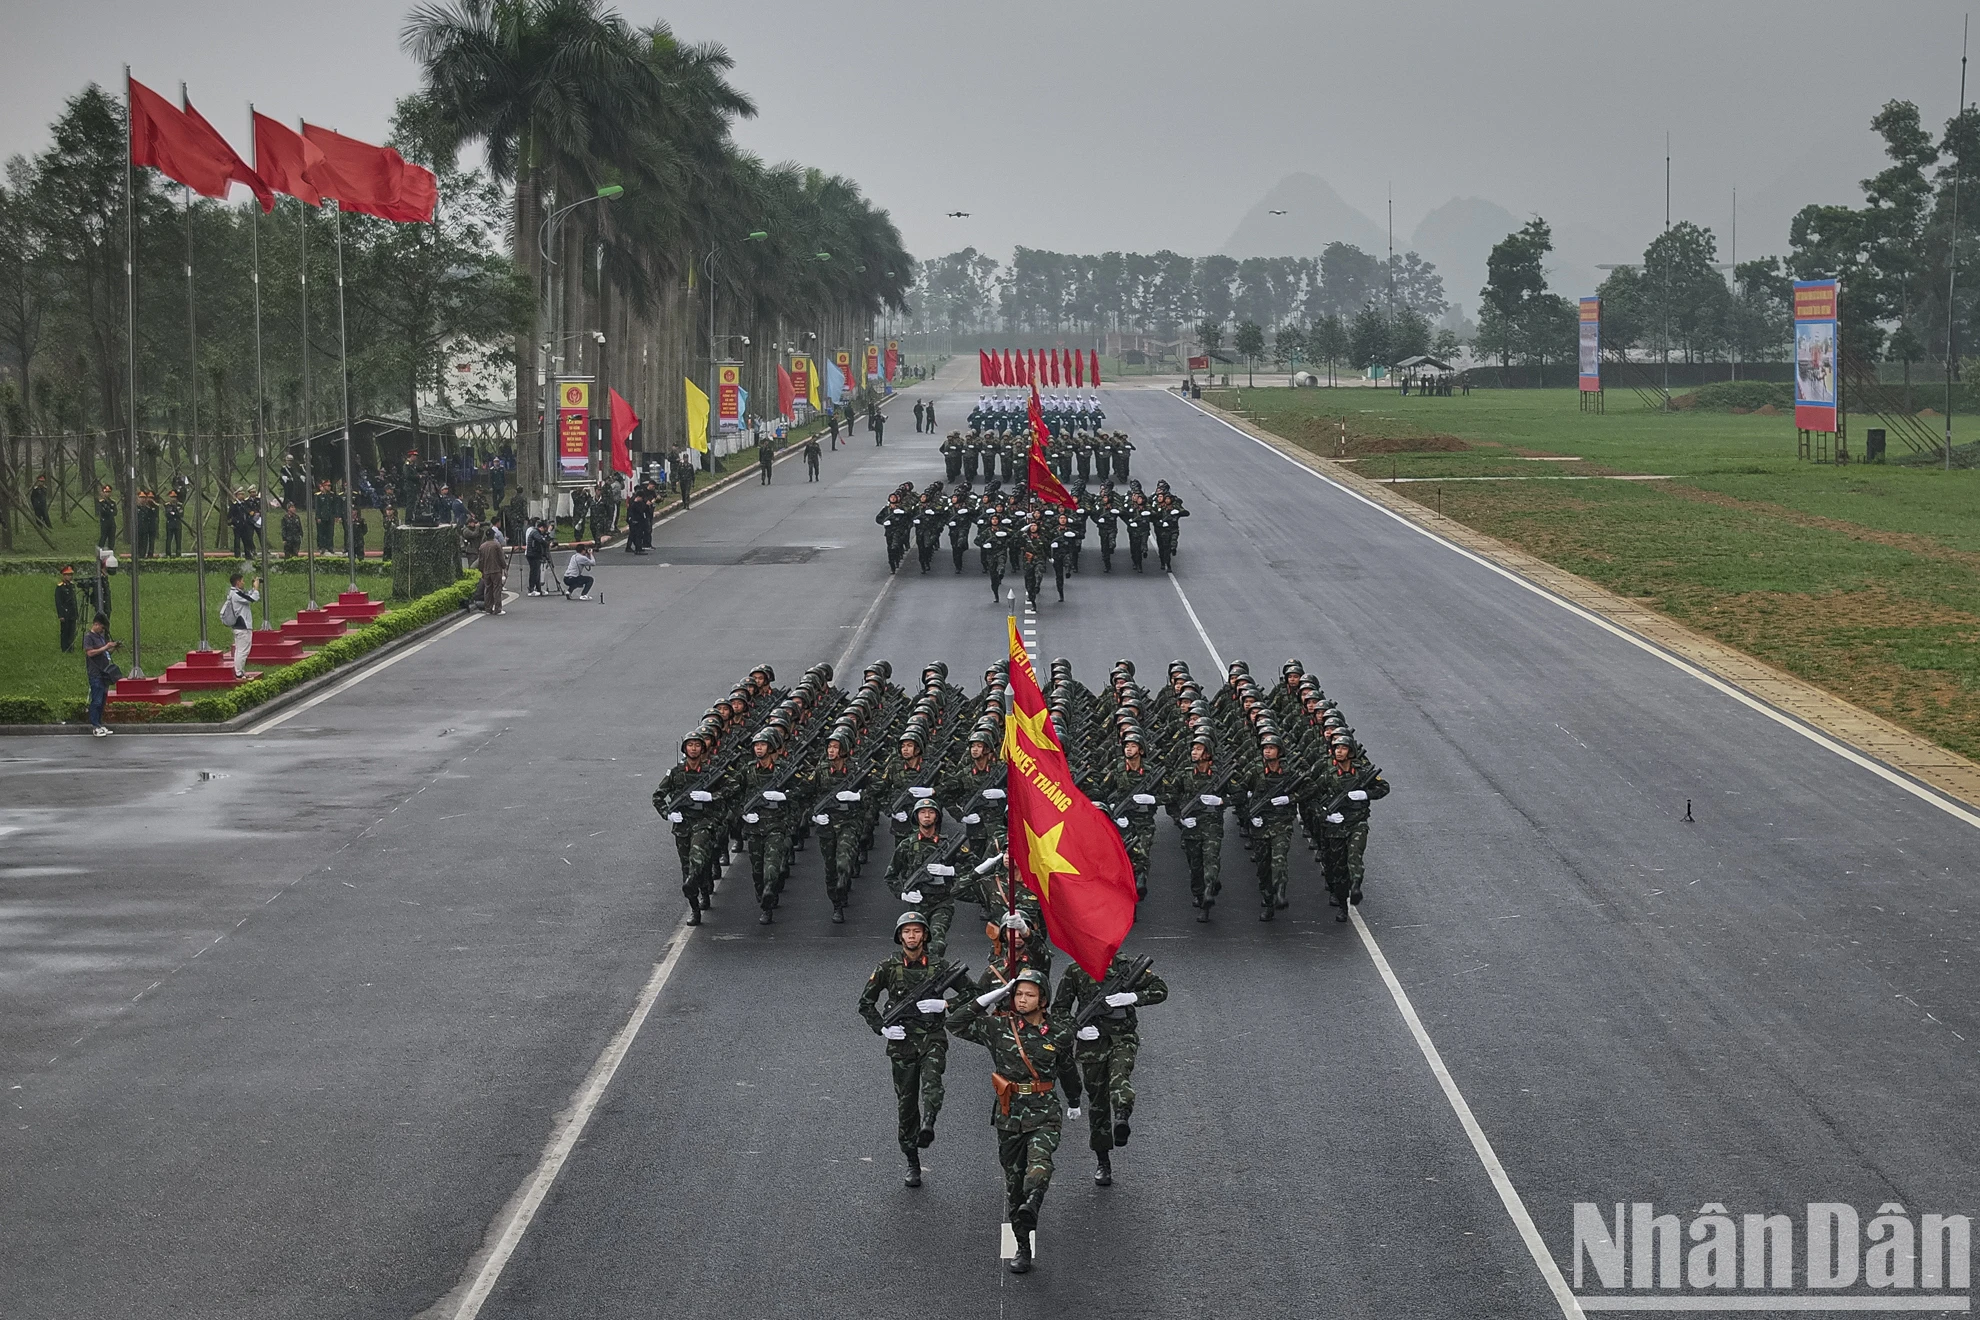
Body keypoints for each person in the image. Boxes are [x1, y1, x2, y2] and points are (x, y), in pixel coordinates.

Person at [944, 971, 1081, 1274]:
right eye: (1018, 994)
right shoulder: (998, 1028)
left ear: (1043, 1000)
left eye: (1029, 995)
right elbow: (955, 1023)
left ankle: (1034, 1200)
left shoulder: (1058, 1032)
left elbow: (1068, 1069)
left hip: (1044, 1111)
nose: (1022, 1000)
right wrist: (993, 995)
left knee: (1040, 1162)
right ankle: (1024, 1245)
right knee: (1013, 1185)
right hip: (1009, 1114)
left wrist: (1074, 1101)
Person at [858, 912, 964, 1187]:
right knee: (906, 1104)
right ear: (900, 936)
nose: (912, 936)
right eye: (907, 932)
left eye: (917, 931)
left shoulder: (940, 965)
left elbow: (972, 993)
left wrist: (945, 1005)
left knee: (932, 1083)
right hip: (901, 1043)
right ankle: (912, 1162)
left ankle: (929, 1120)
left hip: (932, 1037)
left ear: (925, 935)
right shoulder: (887, 967)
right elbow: (865, 1004)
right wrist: (882, 1028)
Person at [1052, 951, 1168, 1186]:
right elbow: (1060, 1010)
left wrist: (1133, 996)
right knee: (1097, 1104)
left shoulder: (1125, 966)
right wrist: (1076, 1030)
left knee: (1119, 1076)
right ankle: (1103, 1162)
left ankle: (1122, 1115)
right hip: (1091, 1045)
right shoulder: (1075, 970)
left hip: (1122, 1037)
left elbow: (1160, 990)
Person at [83, 614, 119, 736]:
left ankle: (99, 722)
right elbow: (90, 653)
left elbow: (105, 653)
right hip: (95, 672)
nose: (102, 630)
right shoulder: (89, 637)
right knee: (96, 700)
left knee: (103, 700)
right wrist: (105, 647)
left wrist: (112, 648)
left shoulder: (100, 637)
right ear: (96, 624)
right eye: (101, 628)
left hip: (105, 672)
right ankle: (94, 725)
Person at [220, 572, 260, 679]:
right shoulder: (236, 594)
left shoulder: (236, 593)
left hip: (239, 627)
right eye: (242, 581)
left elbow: (247, 595)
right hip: (243, 627)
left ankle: (240, 671)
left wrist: (253, 588)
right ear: (238, 582)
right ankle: (239, 673)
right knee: (243, 651)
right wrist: (256, 589)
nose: (243, 582)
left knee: (239, 650)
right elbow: (252, 599)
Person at [475, 527, 508, 614]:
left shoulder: (482, 546)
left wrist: (481, 570)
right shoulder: (496, 545)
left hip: (486, 571)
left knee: (488, 589)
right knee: (497, 589)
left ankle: (488, 608)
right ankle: (497, 609)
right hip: (496, 570)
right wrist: (504, 566)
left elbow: (480, 560)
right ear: (493, 536)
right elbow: (501, 558)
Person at [54, 565, 80, 653]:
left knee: (72, 631)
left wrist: (76, 613)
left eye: (70, 575)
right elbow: (59, 602)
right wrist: (60, 615)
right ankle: (64, 648)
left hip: (72, 613)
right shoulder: (60, 587)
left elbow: (74, 601)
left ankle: (71, 648)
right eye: (67, 575)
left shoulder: (72, 586)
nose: (69, 577)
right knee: (65, 631)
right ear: (63, 576)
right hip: (65, 613)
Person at [524, 519, 552, 596]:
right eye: (544, 529)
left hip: (534, 554)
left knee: (537, 572)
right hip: (532, 555)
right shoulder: (535, 532)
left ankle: (538, 588)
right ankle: (531, 589)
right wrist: (547, 544)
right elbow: (540, 540)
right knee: (534, 572)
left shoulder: (535, 532)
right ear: (541, 527)